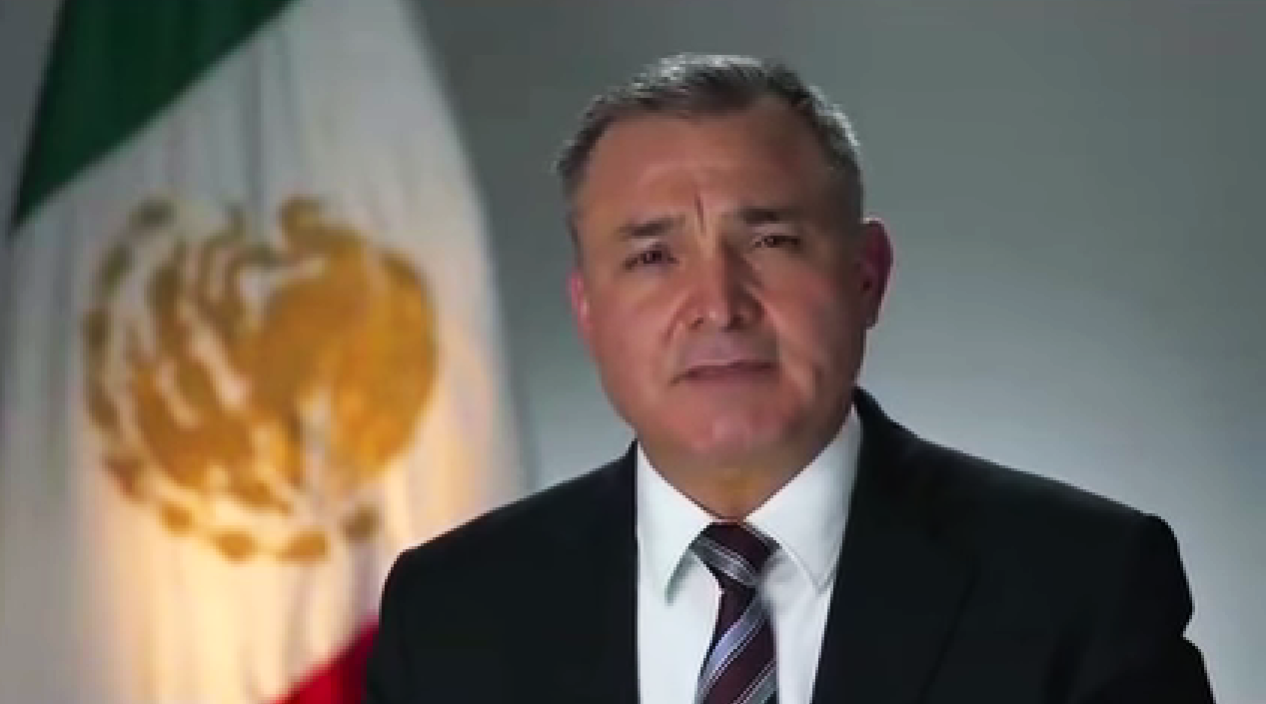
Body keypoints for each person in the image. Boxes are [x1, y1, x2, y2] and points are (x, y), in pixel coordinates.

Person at [365, 53, 1215, 704]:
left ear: (867, 275)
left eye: (770, 242)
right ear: (588, 310)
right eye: (654, 257)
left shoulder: (1083, 588)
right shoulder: (448, 615)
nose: (718, 305)